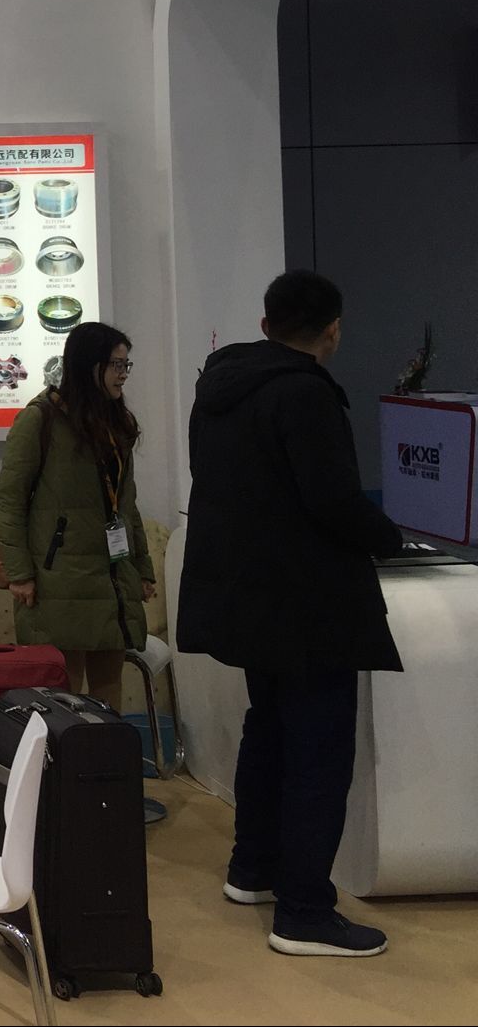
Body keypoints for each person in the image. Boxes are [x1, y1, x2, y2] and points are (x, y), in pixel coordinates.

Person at [177, 269, 402, 958]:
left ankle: (254, 869)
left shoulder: (220, 388)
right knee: (317, 751)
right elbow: (332, 500)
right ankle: (304, 910)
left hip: (249, 599)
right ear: (332, 330)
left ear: (265, 322)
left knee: (269, 729)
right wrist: (391, 538)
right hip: (309, 605)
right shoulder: (305, 393)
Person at [0, 321, 157, 709]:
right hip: (58, 578)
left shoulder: (115, 422)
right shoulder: (40, 419)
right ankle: (67, 752)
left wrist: (142, 568)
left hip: (112, 576)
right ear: (88, 365)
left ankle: (107, 750)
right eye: (116, 365)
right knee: (63, 693)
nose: (123, 374)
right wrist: (19, 573)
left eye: (126, 365)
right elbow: (9, 502)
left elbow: (126, 504)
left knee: (109, 689)